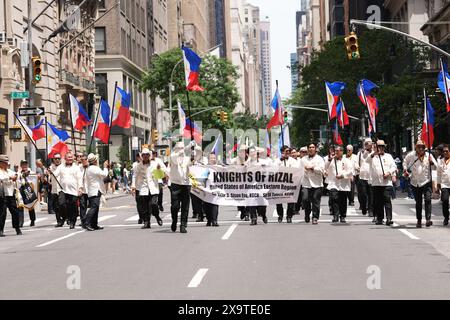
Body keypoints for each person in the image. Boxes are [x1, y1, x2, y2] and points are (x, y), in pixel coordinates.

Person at [403, 140, 437, 228]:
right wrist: (405, 170)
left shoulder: (429, 156)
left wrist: (431, 163)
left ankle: (428, 219)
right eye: (419, 147)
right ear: (416, 147)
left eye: (422, 147)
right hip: (415, 182)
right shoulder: (411, 155)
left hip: (426, 181)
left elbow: (436, 167)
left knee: (428, 200)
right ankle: (419, 220)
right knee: (418, 202)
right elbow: (405, 162)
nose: (421, 148)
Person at [132, 148, 165, 229]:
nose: (145, 156)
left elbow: (160, 176)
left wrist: (158, 170)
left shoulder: (154, 164)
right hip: (143, 187)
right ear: (142, 156)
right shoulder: (138, 166)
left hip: (153, 187)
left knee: (154, 204)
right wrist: (133, 186)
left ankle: (157, 217)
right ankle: (147, 222)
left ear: (149, 155)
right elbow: (134, 175)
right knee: (145, 207)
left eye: (147, 155)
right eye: (144, 155)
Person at [169, 141, 198, 233]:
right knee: (175, 206)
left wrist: (193, 153)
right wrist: (187, 147)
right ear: (176, 149)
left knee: (185, 206)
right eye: (179, 148)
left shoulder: (186, 158)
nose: (182, 150)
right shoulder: (173, 156)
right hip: (175, 184)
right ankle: (174, 220)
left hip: (186, 184)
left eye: (182, 148)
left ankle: (183, 224)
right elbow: (177, 155)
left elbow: (192, 163)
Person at [367, 140, 396, 226]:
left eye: (382, 146)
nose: (380, 148)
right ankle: (380, 218)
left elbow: (393, 166)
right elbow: (366, 160)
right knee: (378, 202)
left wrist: (389, 173)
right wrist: (374, 153)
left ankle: (389, 218)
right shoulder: (372, 157)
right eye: (378, 146)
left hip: (386, 182)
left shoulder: (388, 156)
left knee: (387, 200)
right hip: (376, 183)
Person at [50, 152, 83, 229]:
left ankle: (72, 222)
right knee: (61, 204)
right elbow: (55, 174)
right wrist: (51, 172)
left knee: (73, 207)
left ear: (73, 158)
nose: (70, 159)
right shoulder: (61, 167)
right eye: (68, 157)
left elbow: (79, 178)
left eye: (71, 157)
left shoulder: (76, 167)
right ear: (65, 159)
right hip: (63, 190)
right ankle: (64, 217)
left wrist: (80, 188)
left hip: (74, 191)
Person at [325, 145, 353, 223]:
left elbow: (350, 171)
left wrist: (343, 176)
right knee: (334, 199)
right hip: (333, 183)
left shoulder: (346, 161)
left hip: (343, 184)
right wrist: (329, 160)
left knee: (343, 201)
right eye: (335, 151)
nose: (336, 152)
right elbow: (325, 167)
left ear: (341, 152)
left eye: (338, 151)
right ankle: (335, 215)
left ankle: (343, 216)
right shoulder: (332, 160)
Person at [300, 143, 325, 225]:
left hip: (317, 183)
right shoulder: (303, 159)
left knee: (315, 200)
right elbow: (298, 169)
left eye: (313, 147)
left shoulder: (320, 159)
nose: (311, 149)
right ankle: (307, 214)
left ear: (315, 149)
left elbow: (321, 170)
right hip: (306, 182)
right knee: (305, 199)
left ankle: (315, 217)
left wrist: (312, 168)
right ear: (307, 149)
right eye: (309, 147)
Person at [84, 154, 109, 231]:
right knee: (94, 207)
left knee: (96, 207)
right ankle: (87, 222)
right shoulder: (94, 168)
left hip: (92, 190)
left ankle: (94, 224)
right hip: (95, 190)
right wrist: (105, 167)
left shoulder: (89, 168)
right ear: (95, 161)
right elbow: (104, 175)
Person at [274, 146, 298, 223]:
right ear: (282, 152)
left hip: (290, 184)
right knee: (279, 201)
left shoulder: (293, 161)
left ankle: (289, 216)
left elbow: (296, 170)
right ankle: (280, 215)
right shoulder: (277, 160)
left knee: (290, 201)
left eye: (288, 151)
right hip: (279, 184)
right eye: (286, 151)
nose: (288, 152)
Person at [246, 146, 269, 225]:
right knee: (252, 202)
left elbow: (271, 170)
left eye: (254, 152)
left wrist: (263, 169)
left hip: (261, 186)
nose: (253, 153)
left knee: (262, 204)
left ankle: (263, 215)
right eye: (251, 152)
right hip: (251, 186)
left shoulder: (263, 162)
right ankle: (253, 218)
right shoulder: (247, 163)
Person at [0, 155, 22, 236]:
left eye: (7, 163)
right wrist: (11, 178)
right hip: (2, 195)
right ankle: (1, 230)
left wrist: (17, 175)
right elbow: (3, 179)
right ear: (1, 163)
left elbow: (16, 175)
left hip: (11, 194)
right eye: (5, 163)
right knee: (2, 213)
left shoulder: (9, 171)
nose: (6, 165)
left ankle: (17, 228)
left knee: (15, 212)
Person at [231, 144, 250, 221]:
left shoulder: (250, 160)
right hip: (238, 182)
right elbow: (229, 166)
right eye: (241, 151)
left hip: (248, 182)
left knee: (249, 198)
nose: (243, 153)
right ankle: (242, 210)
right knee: (239, 198)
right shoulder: (235, 160)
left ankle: (247, 214)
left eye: (245, 151)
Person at [355, 138, 373, 216]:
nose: (367, 145)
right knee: (363, 194)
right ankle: (363, 206)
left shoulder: (374, 153)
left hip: (371, 177)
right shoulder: (360, 153)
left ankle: (370, 210)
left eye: (369, 143)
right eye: (366, 144)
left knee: (371, 195)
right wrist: (357, 167)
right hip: (362, 176)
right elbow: (355, 162)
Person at [17, 160, 36, 227]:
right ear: (21, 165)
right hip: (21, 190)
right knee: (20, 206)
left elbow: (34, 181)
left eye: (25, 164)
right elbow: (17, 181)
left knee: (30, 206)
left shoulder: (32, 172)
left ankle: (32, 220)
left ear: (27, 165)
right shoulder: (18, 173)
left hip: (28, 190)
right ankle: (20, 222)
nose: (24, 166)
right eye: (23, 164)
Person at [203, 152, 220, 226]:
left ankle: (214, 220)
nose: (213, 159)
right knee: (207, 206)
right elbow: (202, 178)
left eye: (214, 158)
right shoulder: (205, 168)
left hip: (216, 189)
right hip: (206, 189)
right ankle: (209, 219)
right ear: (208, 159)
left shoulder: (219, 167)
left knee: (215, 204)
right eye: (211, 158)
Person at [47, 154, 62, 226]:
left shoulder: (63, 167)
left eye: (58, 158)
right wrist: (48, 174)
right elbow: (49, 180)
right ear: (53, 159)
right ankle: (58, 220)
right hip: (54, 189)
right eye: (55, 158)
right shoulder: (50, 167)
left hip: (63, 189)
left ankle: (66, 217)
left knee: (63, 205)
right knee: (56, 206)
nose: (57, 160)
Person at [437, 144, 450, 226]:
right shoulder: (440, 161)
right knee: (445, 200)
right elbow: (438, 174)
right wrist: (438, 184)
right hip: (444, 184)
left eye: (447, 151)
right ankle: (446, 217)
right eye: (444, 151)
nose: (445, 152)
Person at [131, 153, 143, 224]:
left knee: (145, 203)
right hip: (138, 186)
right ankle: (140, 217)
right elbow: (134, 176)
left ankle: (145, 217)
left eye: (140, 156)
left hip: (146, 187)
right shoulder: (135, 165)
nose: (139, 157)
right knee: (138, 203)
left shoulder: (148, 163)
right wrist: (133, 186)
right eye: (138, 156)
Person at [79, 154, 89, 228]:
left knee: (92, 206)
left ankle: (90, 220)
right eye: (82, 160)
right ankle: (83, 221)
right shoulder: (79, 168)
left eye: (84, 159)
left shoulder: (91, 168)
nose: (83, 161)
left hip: (90, 189)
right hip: (82, 190)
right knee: (82, 206)